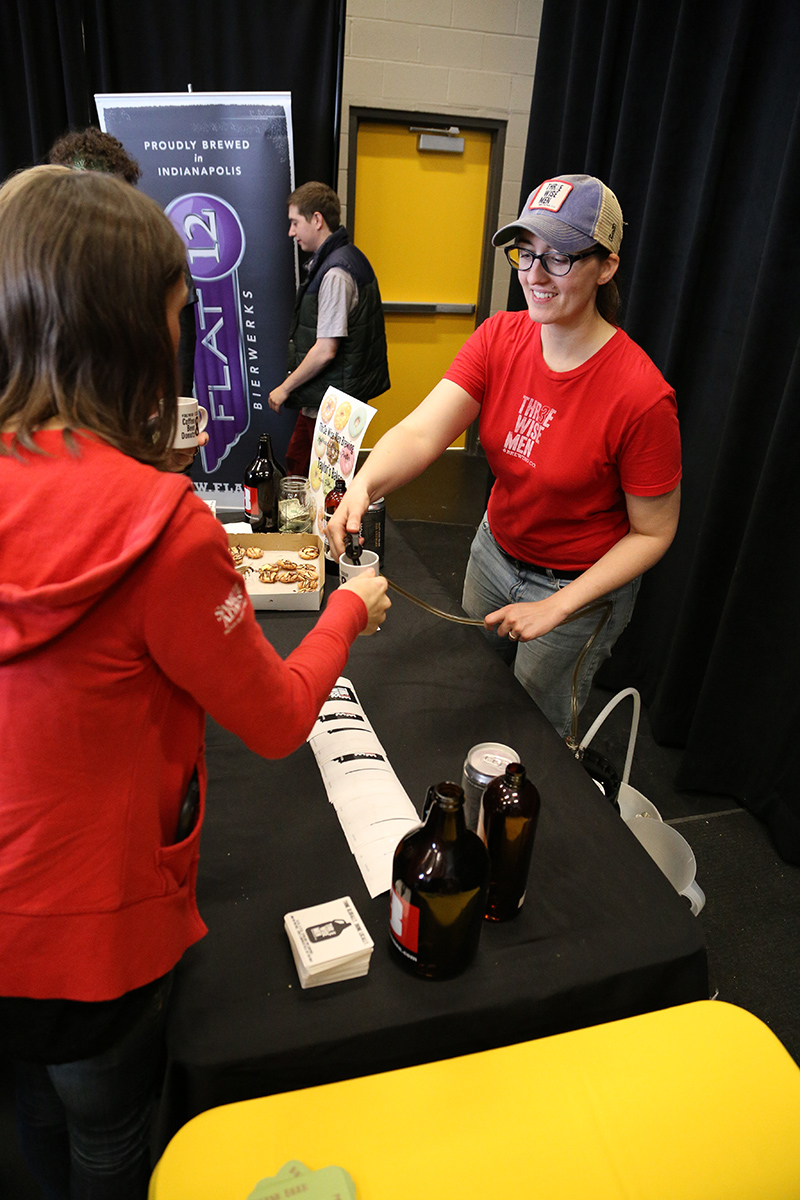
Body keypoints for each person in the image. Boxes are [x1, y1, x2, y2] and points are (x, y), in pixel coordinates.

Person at [0, 165, 390, 1200]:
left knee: (30, 1114)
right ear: (133, 330)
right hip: (94, 939)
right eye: (176, 316)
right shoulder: (163, 529)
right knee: (112, 1135)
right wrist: (350, 608)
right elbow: (271, 721)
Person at [328, 174, 681, 738]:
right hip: (494, 553)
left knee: (534, 730)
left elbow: (654, 532)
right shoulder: (499, 338)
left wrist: (559, 607)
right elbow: (422, 432)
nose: (535, 276)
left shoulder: (641, 395)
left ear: (607, 265)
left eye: (560, 257)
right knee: (472, 685)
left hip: (576, 584)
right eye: (526, 254)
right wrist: (364, 486)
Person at [48, 126, 198, 401]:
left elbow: (181, 345)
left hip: (138, 403)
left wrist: (177, 411)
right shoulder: (44, 255)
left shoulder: (157, 248)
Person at [268, 181, 390, 476]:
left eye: (295, 222)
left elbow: (325, 350)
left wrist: (284, 389)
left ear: (317, 220)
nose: (291, 232)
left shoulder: (335, 272)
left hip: (333, 405)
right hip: (332, 399)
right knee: (309, 473)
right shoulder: (348, 258)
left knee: (317, 484)